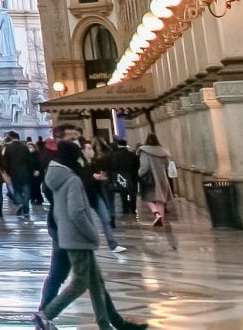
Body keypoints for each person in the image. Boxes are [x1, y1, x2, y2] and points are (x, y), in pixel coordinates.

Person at [40, 139, 145, 330]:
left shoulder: (57, 175)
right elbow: (76, 211)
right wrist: (92, 234)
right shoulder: (71, 178)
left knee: (96, 283)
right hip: (76, 237)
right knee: (78, 281)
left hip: (65, 232)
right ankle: (45, 314)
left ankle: (108, 324)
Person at [134, 131, 176, 250]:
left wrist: (139, 174)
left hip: (150, 178)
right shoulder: (163, 151)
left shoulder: (144, 151)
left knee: (147, 197)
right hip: (162, 178)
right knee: (160, 199)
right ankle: (160, 219)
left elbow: (144, 167)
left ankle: (156, 214)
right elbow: (167, 165)